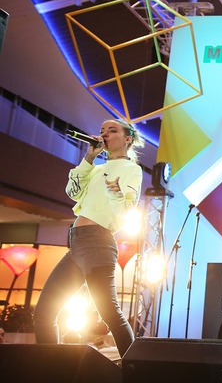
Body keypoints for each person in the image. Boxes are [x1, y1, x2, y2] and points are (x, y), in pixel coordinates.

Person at [34, 118, 144, 358]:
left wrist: (115, 192)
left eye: (112, 130)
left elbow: (126, 209)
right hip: (76, 242)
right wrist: (88, 159)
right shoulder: (95, 169)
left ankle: (134, 370)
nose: (104, 134)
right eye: (102, 130)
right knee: (44, 312)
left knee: (109, 313)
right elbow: (72, 192)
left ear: (127, 139)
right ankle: (51, 368)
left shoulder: (131, 170)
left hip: (97, 242)